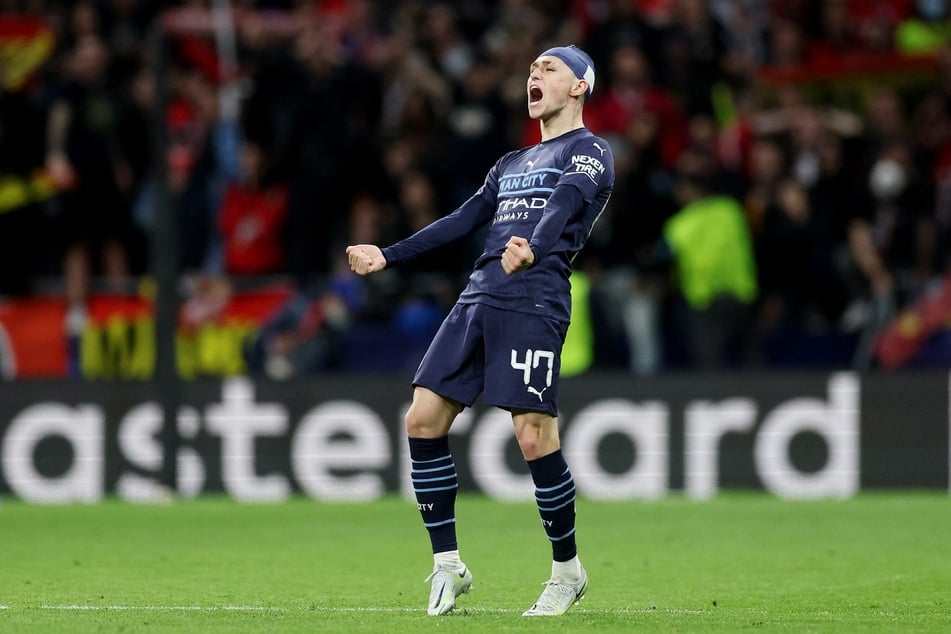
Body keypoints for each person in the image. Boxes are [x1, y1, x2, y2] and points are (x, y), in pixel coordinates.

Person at [347, 45, 614, 617]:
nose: (534, 75)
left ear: (579, 87)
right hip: (478, 296)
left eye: (549, 68)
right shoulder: (510, 162)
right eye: (531, 69)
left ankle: (567, 571)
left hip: (535, 298)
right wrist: (387, 256)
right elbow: (461, 220)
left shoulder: (590, 152)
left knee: (533, 435)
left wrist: (534, 248)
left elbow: (566, 203)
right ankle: (448, 566)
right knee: (421, 418)